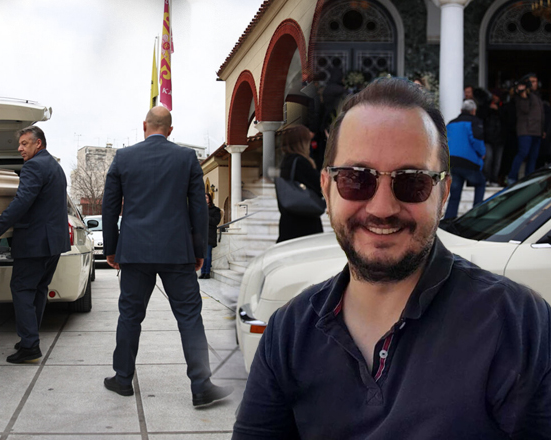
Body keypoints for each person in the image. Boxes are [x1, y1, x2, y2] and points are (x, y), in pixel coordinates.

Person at [233, 78, 551, 439]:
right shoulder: (288, 332)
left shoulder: (518, 323)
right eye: (356, 179)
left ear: (444, 193)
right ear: (326, 188)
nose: (382, 208)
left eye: (413, 181)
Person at [101, 106, 233, 407]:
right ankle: (201, 386)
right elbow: (199, 208)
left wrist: (112, 248)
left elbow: (110, 206)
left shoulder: (124, 157)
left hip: (135, 251)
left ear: (144, 126)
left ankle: (123, 378)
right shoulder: (186, 158)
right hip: (177, 251)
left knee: (130, 315)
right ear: (170, 130)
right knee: (189, 317)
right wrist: (198, 251)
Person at [0, 125, 70, 364]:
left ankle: (30, 346)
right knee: (38, 289)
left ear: (38, 143)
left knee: (22, 289)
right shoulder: (54, 166)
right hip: (52, 243)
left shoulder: (33, 166)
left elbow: (22, 201)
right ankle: (30, 338)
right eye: (19, 144)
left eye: (24, 143)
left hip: (34, 242)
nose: (20, 149)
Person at [276, 125, 323, 242]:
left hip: (289, 220)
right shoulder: (300, 162)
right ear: (301, 143)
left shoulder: (286, 161)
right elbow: (319, 185)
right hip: (304, 222)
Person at [443, 99, 486, 219]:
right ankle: (476, 215)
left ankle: (449, 218)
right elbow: (477, 140)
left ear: (461, 110)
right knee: (480, 183)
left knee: (455, 193)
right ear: (473, 111)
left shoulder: (451, 123)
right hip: (468, 162)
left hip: (452, 162)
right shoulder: (474, 122)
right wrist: (482, 153)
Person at [508, 73, 546, 184]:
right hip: (526, 130)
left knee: (533, 157)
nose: (534, 84)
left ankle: (528, 180)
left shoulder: (537, 96)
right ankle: (512, 177)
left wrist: (542, 130)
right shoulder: (521, 96)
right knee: (523, 153)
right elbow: (524, 110)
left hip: (537, 131)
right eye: (532, 81)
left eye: (535, 81)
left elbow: (540, 115)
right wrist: (523, 95)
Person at [199, 193, 220, 279]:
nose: (204, 199)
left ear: (210, 199)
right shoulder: (200, 209)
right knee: (202, 255)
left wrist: (206, 216)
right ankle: (202, 272)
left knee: (207, 255)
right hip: (201, 236)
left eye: (206, 198)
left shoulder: (215, 210)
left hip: (209, 235)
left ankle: (207, 272)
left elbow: (216, 221)